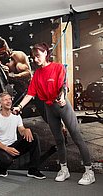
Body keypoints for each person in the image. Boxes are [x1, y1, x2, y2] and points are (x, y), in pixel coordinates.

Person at [13, 42, 95, 185]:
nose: (35, 59)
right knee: (58, 140)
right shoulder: (37, 74)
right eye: (33, 57)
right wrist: (19, 106)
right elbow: (31, 93)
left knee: (76, 138)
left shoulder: (58, 67)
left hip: (61, 106)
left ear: (46, 53)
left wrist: (63, 96)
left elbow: (64, 86)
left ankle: (89, 171)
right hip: (49, 108)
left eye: (37, 56)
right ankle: (64, 169)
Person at [0, 91, 46, 179]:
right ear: (0, 103)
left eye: (9, 99)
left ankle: (33, 170)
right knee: (6, 160)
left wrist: (26, 130)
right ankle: (3, 169)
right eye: (5, 100)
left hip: (15, 146)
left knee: (34, 137)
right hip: (2, 148)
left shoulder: (16, 116)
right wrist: (6, 148)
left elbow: (21, 130)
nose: (9, 101)